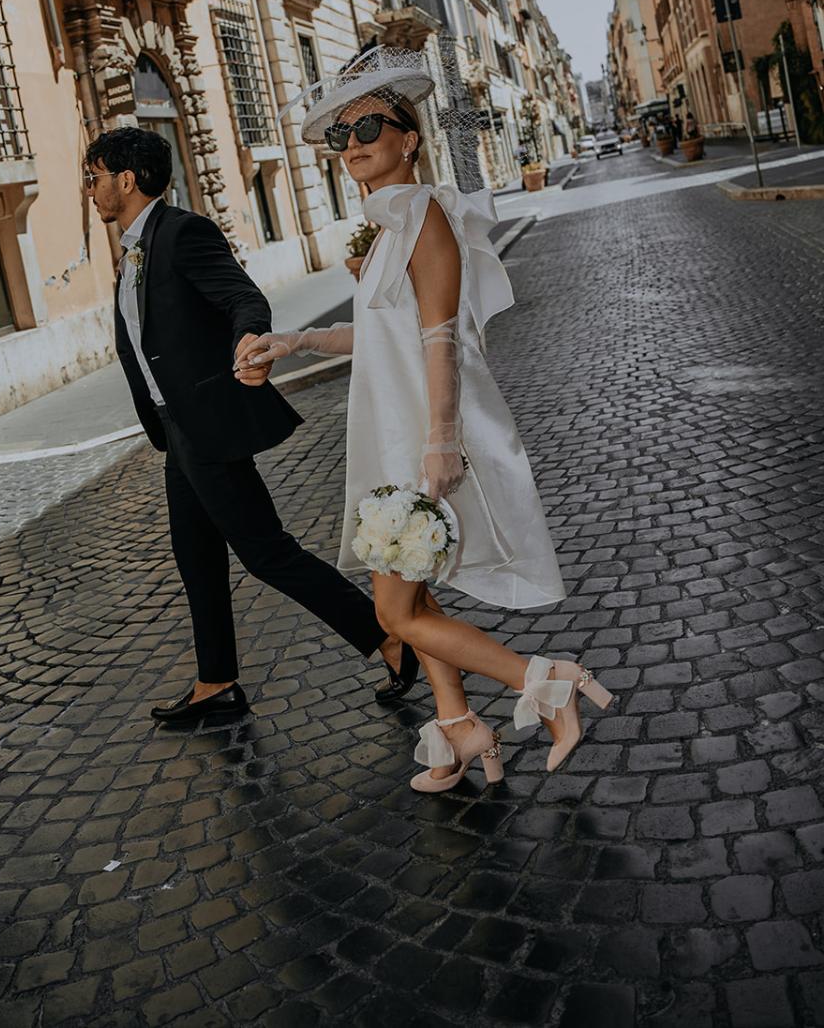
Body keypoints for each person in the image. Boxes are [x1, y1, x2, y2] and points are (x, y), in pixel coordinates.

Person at [238, 48, 612, 790]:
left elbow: (441, 335)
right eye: (339, 136)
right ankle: (459, 728)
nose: (352, 144)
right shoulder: (391, 225)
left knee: (396, 612)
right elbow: (385, 333)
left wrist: (442, 443)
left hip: (422, 437)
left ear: (409, 136)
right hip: (394, 434)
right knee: (414, 588)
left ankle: (549, 683)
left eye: (368, 125)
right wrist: (299, 339)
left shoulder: (425, 215)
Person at [85, 126, 418, 727]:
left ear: (126, 180)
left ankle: (388, 638)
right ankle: (217, 682)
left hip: (206, 427)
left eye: (95, 176)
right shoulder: (136, 248)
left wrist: (247, 337)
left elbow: (244, 296)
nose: (92, 190)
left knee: (265, 552)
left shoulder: (183, 232)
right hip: (177, 431)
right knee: (197, 557)